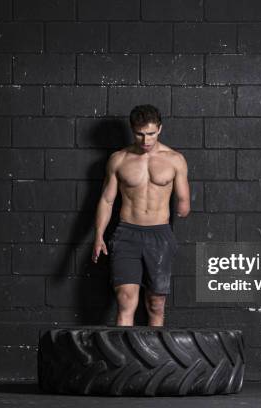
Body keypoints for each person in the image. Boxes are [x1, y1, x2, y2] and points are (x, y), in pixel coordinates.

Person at [91, 104, 190, 327]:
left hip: (159, 235)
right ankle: (123, 360)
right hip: (127, 234)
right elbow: (107, 200)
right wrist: (98, 236)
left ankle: (155, 359)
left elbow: (184, 201)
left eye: (151, 134)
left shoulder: (175, 160)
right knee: (125, 301)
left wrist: (183, 206)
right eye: (140, 134)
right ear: (132, 130)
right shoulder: (119, 159)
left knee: (156, 304)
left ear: (160, 129)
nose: (146, 140)